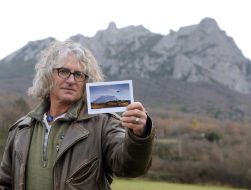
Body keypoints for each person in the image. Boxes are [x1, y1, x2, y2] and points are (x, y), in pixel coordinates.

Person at [0, 40, 155, 189]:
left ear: (86, 82)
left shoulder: (102, 123)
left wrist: (139, 134)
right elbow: (5, 182)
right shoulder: (21, 128)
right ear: (48, 76)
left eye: (79, 75)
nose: (71, 80)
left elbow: (130, 167)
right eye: (64, 71)